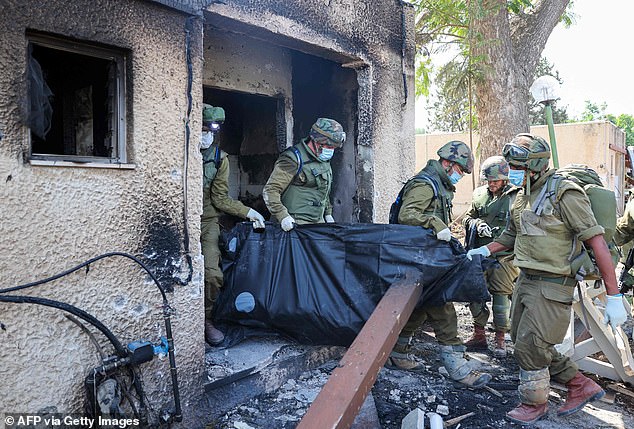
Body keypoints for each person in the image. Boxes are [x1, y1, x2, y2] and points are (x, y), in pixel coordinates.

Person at [467, 133, 628, 424]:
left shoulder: (565, 192)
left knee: (533, 345)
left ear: (535, 165)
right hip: (525, 277)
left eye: (518, 167)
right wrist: (482, 250)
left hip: (554, 283)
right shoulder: (523, 195)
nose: (512, 172)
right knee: (522, 340)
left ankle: (535, 404)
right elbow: (510, 235)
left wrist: (614, 295)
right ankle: (580, 385)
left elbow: (597, 241)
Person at [386, 140, 492, 389]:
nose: (460, 176)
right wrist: (436, 224)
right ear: (447, 163)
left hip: (427, 258)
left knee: (421, 307)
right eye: (459, 171)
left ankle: (398, 353)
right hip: (419, 258)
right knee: (444, 311)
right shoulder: (425, 184)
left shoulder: (439, 184)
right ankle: (457, 368)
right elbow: (407, 216)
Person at [200, 104, 266, 345]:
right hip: (179, 220)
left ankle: (206, 320)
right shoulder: (177, 148)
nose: (206, 134)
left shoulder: (219, 159)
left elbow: (220, 198)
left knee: (213, 274)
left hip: (206, 221)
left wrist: (249, 212)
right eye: (202, 128)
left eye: (211, 131)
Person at [462, 156, 519, 358]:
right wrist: (477, 225)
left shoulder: (516, 197)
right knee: (474, 294)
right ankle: (479, 335)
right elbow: (468, 217)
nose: (492, 185)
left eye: (495, 181)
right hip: (480, 255)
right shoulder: (479, 195)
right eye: (488, 181)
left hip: (505, 256)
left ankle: (501, 339)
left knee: (501, 299)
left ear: (504, 179)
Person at [263, 118, 345, 230]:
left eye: (334, 148)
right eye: (329, 147)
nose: (331, 151)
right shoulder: (292, 159)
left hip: (317, 222)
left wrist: (328, 213)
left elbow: (323, 188)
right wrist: (283, 216)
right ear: (317, 141)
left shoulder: (323, 159)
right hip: (295, 225)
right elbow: (271, 190)